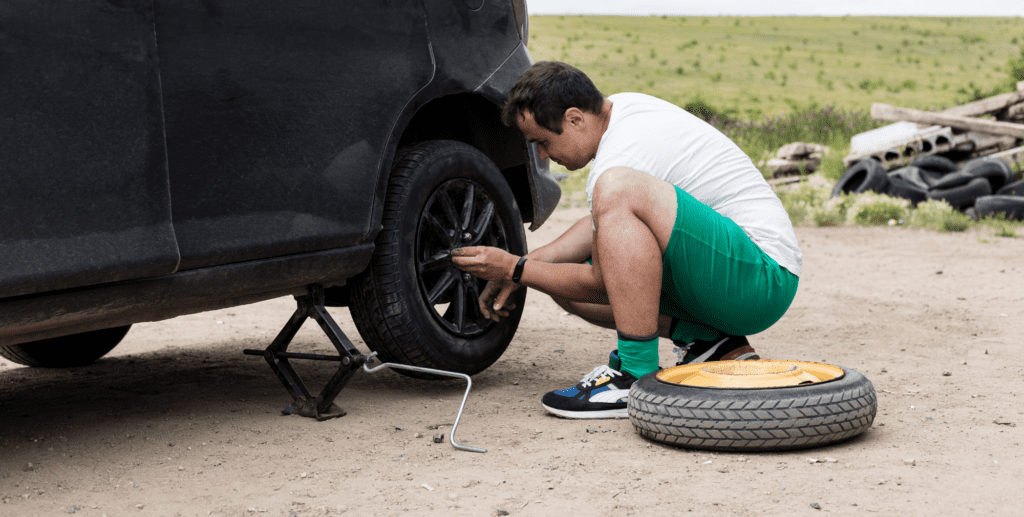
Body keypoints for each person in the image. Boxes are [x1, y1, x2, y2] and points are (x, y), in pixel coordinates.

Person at [451, 61, 802, 419]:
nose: (542, 155)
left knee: (613, 192)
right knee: (561, 268)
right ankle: (710, 340)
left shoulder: (617, 163)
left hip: (760, 278)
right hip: (740, 276)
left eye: (542, 141)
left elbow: (604, 283)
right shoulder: (621, 111)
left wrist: (515, 268)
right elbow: (605, 227)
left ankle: (634, 374)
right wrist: (533, 262)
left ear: (574, 119)